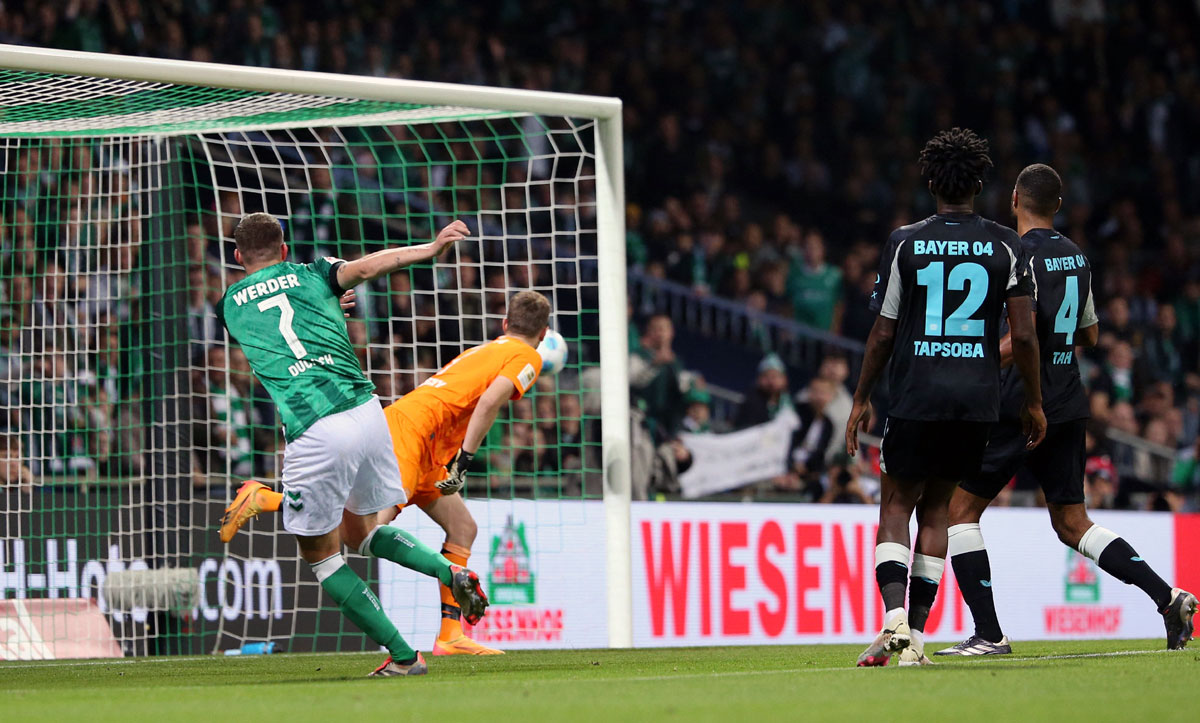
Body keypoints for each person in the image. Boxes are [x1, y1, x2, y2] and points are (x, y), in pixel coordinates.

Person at [935, 164, 1197, 656]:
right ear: (1057, 206)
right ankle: (1168, 597)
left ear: (1014, 199)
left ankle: (989, 634)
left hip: (1022, 401)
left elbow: (1023, 335)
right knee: (1073, 523)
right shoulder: (1077, 257)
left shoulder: (1016, 254)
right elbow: (1092, 333)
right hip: (1069, 399)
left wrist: (974, 361)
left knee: (959, 511)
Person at [215, 212, 486, 677]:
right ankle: (451, 573)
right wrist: (431, 248)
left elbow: (280, 331)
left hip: (316, 427)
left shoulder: (227, 305)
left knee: (323, 558)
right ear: (284, 250)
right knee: (363, 533)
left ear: (238, 257)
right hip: (368, 412)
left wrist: (326, 309)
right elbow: (365, 268)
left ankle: (403, 656)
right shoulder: (313, 272)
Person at [222, 290, 552, 657]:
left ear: (505, 324)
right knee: (361, 532)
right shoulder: (528, 355)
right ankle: (268, 498)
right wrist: (465, 460)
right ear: (543, 332)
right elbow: (491, 401)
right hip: (413, 438)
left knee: (463, 528)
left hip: (423, 442)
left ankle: (450, 635)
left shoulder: (491, 348)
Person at [846, 129, 1046, 667]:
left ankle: (893, 623)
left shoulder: (904, 241)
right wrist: (1032, 401)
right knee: (937, 513)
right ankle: (912, 639)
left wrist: (862, 396)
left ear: (930, 180)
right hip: (977, 403)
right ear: (980, 183)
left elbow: (883, 332)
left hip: (914, 395)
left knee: (895, 507)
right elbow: (1025, 336)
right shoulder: (1008, 244)